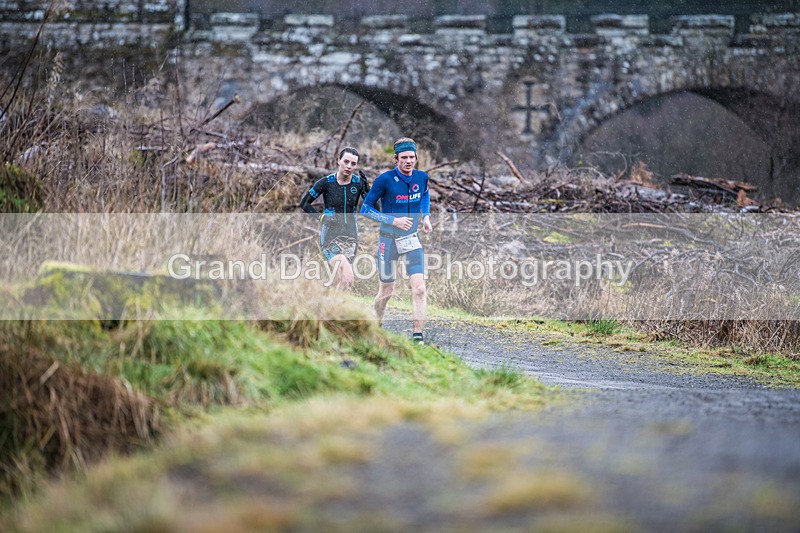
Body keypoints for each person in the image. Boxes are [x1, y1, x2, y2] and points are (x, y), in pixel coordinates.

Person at [360, 137, 432, 344]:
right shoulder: (385, 179)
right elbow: (366, 209)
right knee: (386, 290)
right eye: (404, 157)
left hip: (412, 240)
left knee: (419, 289)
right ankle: (376, 323)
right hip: (389, 241)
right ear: (396, 158)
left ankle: (417, 337)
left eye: (412, 157)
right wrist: (393, 220)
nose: (409, 161)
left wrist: (425, 216)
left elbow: (425, 195)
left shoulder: (422, 177)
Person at [299, 147, 370, 289]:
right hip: (331, 236)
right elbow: (304, 203)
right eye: (346, 162)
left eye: (353, 164)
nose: (349, 166)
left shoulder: (358, 183)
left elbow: (374, 208)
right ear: (338, 161)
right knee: (348, 277)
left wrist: (368, 190)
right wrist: (321, 218)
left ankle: (332, 307)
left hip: (351, 236)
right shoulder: (326, 182)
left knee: (340, 282)